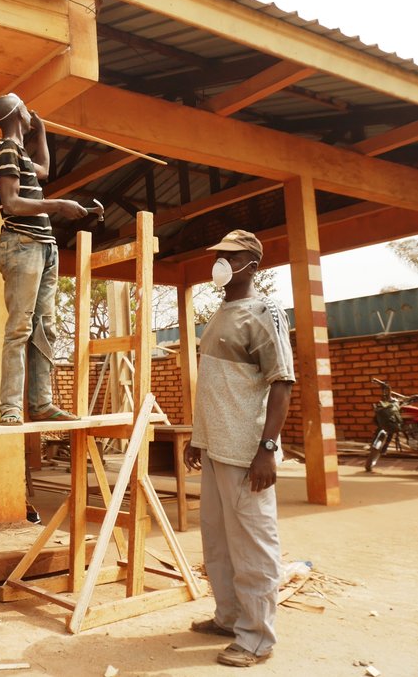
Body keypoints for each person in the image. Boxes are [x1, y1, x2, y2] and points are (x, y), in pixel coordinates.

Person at [183, 230, 295, 668]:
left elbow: (282, 383)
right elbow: (214, 383)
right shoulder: (221, 311)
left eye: (230, 256)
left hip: (247, 453)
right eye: (218, 255)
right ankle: (229, 617)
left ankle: (257, 638)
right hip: (215, 448)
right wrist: (198, 436)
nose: (220, 262)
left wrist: (267, 449)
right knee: (218, 542)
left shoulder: (264, 312)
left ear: (252, 264)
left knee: (253, 546)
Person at [0, 93, 90, 427]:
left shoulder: (18, 152)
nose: (33, 113)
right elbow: (12, 203)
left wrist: (42, 133)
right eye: (28, 109)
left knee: (44, 327)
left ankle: (42, 402)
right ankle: (11, 407)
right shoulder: (5, 149)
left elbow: (44, 170)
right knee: (20, 327)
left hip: (44, 246)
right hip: (22, 243)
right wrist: (59, 206)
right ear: (18, 112)